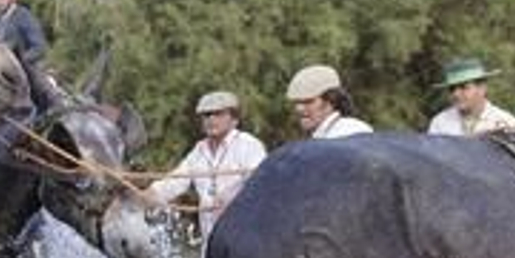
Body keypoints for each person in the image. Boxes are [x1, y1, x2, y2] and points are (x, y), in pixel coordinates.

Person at [147, 90, 266, 238]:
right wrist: (147, 195)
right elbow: (176, 181)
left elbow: (262, 184)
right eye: (206, 115)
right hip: (210, 242)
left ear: (234, 119)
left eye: (218, 114)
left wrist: (232, 199)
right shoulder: (199, 151)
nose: (211, 119)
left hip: (244, 237)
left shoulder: (249, 145)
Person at [0, 0, 59, 110]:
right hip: (3, 77)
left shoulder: (24, 16)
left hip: (29, 75)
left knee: (43, 94)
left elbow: (40, 47)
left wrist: (19, 61)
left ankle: (50, 109)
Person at [426, 58, 515, 137]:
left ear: (482, 89)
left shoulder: (507, 123)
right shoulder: (439, 124)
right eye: (452, 89)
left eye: (463, 87)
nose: (456, 94)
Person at [286, 64, 371, 139]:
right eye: (296, 102)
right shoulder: (320, 135)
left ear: (331, 100)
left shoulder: (351, 132)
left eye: (308, 101)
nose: (299, 108)